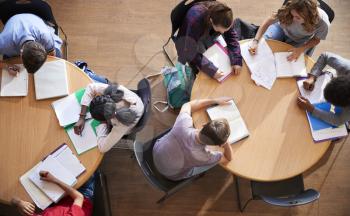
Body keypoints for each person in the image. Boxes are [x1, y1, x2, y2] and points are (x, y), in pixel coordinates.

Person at [153, 97, 234, 181]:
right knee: (210, 164)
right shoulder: (205, 157)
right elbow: (229, 158)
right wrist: (226, 143)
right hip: (170, 174)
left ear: (204, 124)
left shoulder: (183, 124)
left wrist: (214, 100)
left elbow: (188, 105)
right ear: (219, 145)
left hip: (156, 152)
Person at [175, 1, 242, 80]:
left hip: (204, 32)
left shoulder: (222, 14)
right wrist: (211, 70)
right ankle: (194, 74)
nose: (223, 33)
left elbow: (231, 35)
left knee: (215, 53)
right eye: (221, 30)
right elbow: (190, 51)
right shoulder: (194, 20)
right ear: (211, 21)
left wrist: (236, 60)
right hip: (186, 41)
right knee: (202, 70)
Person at [74, 83, 144, 153]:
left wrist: (102, 124)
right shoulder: (115, 92)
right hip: (137, 102)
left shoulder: (121, 125)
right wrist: (82, 116)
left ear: (107, 120)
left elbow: (103, 148)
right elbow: (91, 87)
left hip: (130, 124)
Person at [249, 0, 330, 60]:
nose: (294, 19)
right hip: (280, 28)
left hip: (299, 40)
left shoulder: (323, 22)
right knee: (262, 45)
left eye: (298, 17)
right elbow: (269, 21)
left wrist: (301, 49)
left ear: (308, 17)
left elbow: (316, 40)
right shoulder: (291, 8)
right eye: (292, 15)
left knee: (289, 59)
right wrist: (255, 41)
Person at [297, 52, 350, 126]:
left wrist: (312, 109)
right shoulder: (347, 68)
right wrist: (313, 77)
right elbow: (325, 56)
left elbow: (338, 120)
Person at [11, 171, 95, 216]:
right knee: (88, 171)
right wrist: (54, 179)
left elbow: (12, 200)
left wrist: (19, 203)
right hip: (83, 197)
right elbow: (79, 197)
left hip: (59, 200)